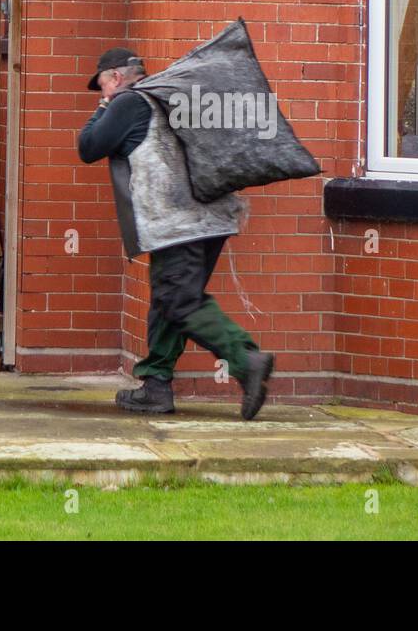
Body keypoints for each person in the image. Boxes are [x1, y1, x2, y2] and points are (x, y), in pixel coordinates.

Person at [77, 46, 275, 419]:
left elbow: (88, 147)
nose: (102, 93)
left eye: (102, 84)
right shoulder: (170, 95)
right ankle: (156, 385)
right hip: (212, 218)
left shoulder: (128, 102)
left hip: (178, 222)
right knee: (171, 299)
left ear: (116, 77)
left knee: (178, 300)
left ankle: (246, 358)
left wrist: (105, 105)